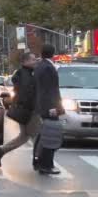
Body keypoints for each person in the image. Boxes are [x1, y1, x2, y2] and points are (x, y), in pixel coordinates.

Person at [0, 52, 40, 167]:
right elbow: (26, 94)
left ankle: (1, 150)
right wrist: (32, 108)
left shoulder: (24, 73)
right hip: (29, 111)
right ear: (25, 62)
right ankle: (39, 160)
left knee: (24, 136)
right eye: (33, 60)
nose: (35, 61)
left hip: (25, 110)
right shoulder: (26, 75)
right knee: (38, 135)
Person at [33, 44, 64, 175]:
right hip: (48, 107)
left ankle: (40, 162)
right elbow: (49, 90)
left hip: (43, 106)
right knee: (50, 135)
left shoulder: (41, 66)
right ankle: (46, 164)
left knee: (43, 135)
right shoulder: (47, 68)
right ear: (53, 53)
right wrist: (53, 107)